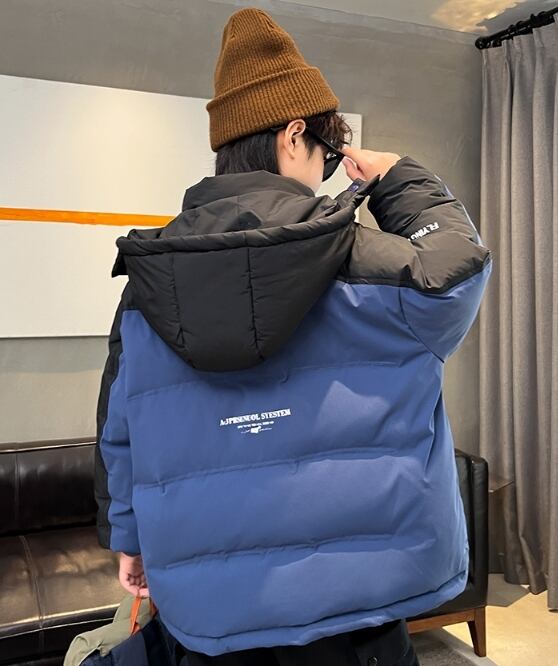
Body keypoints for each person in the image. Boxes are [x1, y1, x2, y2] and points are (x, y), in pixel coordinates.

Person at [93, 7, 492, 666]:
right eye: (328, 159)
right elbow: (457, 270)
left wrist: (127, 537)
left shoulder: (151, 281)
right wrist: (397, 176)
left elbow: (119, 428)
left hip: (214, 619)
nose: (328, 172)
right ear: (292, 135)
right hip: (362, 613)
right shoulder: (366, 262)